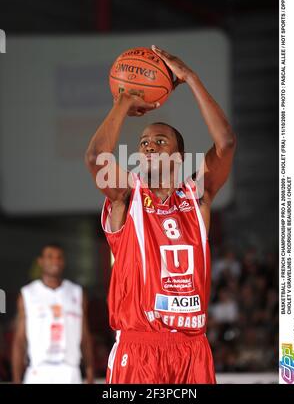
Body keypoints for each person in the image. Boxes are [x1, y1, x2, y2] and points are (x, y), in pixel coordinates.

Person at [85, 45, 236, 384]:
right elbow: (96, 156)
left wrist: (191, 78)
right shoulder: (126, 195)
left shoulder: (197, 197)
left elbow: (225, 143)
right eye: (144, 143)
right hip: (139, 350)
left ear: (179, 158)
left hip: (193, 350)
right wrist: (124, 100)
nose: (150, 146)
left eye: (160, 141)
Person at [11, 243, 94, 384]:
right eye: (50, 257)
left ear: (64, 261)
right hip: (38, 372)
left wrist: (90, 372)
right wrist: (17, 379)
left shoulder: (77, 292)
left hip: (70, 372)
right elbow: (19, 340)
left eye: (59, 257)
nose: (55, 261)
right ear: (40, 261)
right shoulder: (28, 294)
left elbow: (85, 336)